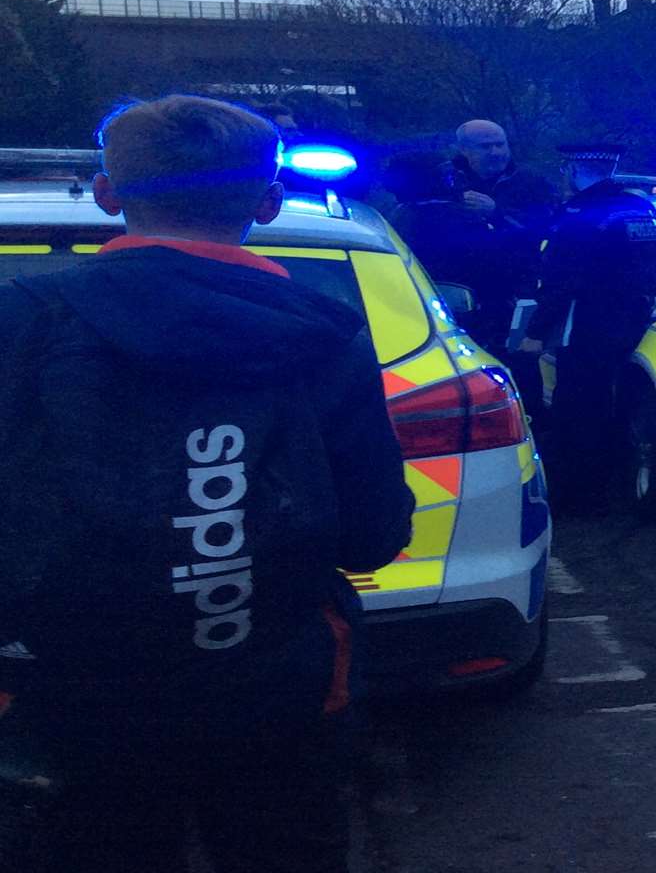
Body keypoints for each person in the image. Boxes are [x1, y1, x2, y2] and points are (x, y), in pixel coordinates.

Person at [0, 95, 415, 872]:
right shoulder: (322, 333)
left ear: (107, 194)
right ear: (269, 200)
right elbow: (374, 532)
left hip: (71, 691)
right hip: (274, 686)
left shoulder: (21, 320)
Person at [517, 144, 656, 512]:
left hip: (588, 322)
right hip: (633, 317)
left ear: (574, 168)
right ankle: (611, 485)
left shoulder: (580, 212)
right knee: (611, 402)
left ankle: (578, 497)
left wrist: (536, 332)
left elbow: (564, 280)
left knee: (576, 407)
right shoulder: (637, 205)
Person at [391, 120, 554, 404]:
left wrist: (497, 213)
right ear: (463, 150)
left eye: (499, 144)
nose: (495, 152)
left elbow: (549, 227)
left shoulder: (531, 182)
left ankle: (530, 421)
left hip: (521, 294)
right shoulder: (443, 179)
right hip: (455, 294)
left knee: (521, 361)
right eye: (485, 146)